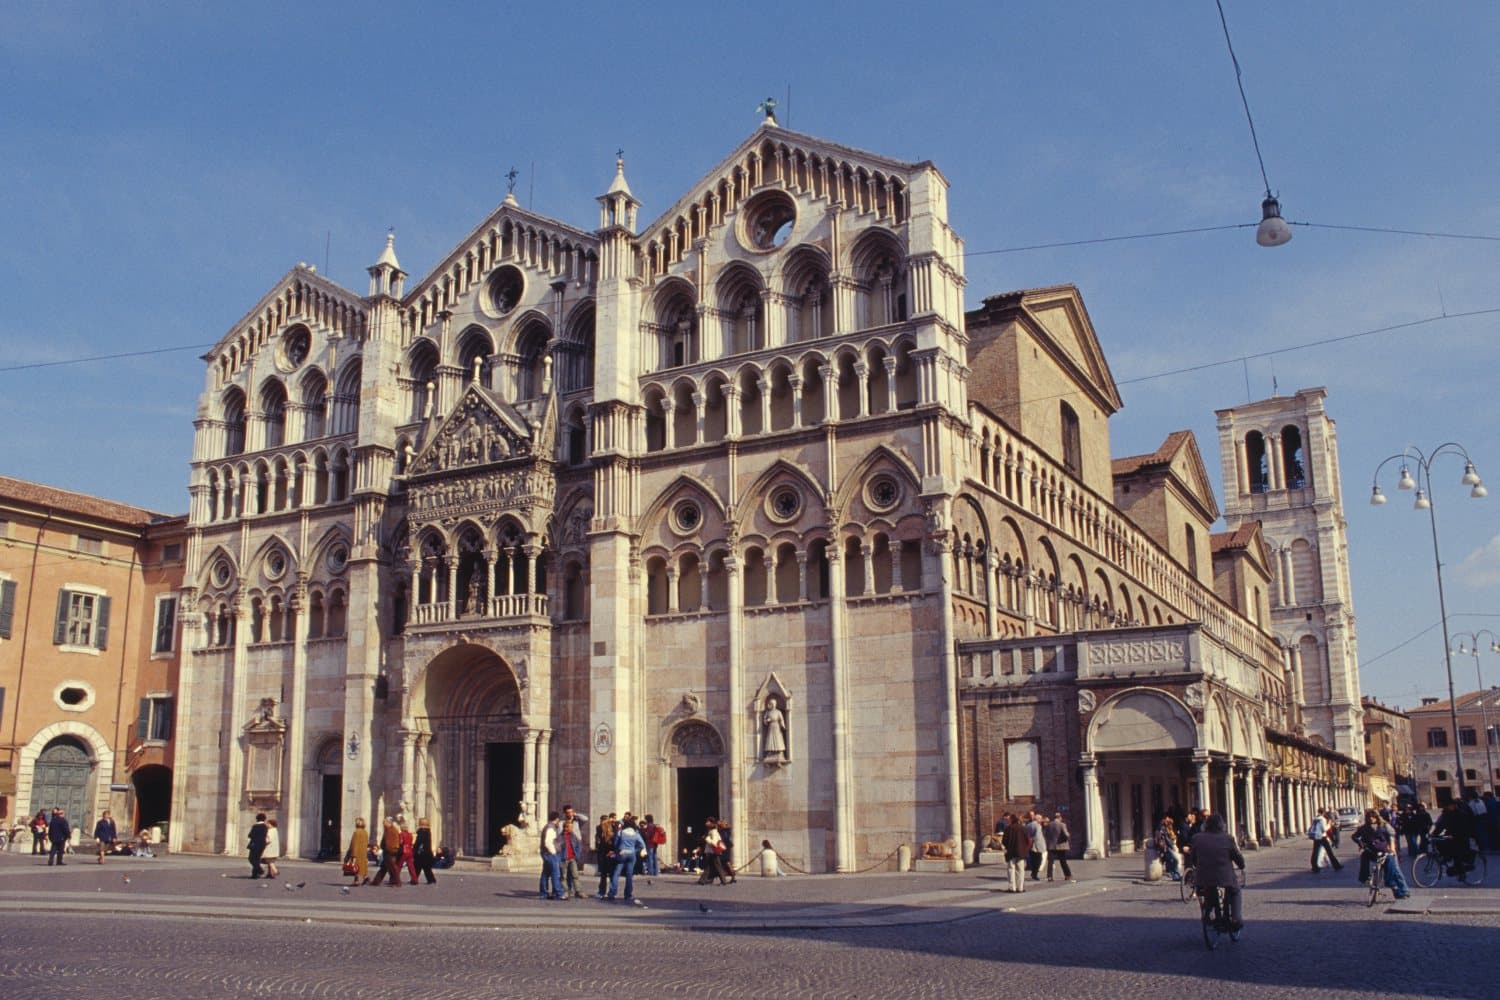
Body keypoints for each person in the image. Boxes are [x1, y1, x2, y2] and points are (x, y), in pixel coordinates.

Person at [1192, 814, 1246, 931]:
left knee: (1209, 889)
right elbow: (1236, 856)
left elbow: (1193, 859)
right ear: (1221, 825)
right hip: (1224, 875)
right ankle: (1236, 918)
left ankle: (1208, 912)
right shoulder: (1227, 838)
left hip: (1203, 876)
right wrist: (1241, 865)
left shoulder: (1197, 838)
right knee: (1235, 890)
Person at [1352, 808, 1410, 899]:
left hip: (1386, 851)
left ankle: (1403, 890)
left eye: (1373, 817)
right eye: (1369, 817)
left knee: (1395, 870)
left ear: (1377, 817)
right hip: (1372, 852)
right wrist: (1361, 844)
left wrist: (1392, 848)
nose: (1371, 819)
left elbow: (1391, 835)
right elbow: (1354, 836)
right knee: (1364, 856)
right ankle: (1365, 877)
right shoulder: (1364, 828)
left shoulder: (1384, 825)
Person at [1432, 800, 1476, 876]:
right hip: (1451, 836)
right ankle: (1447, 858)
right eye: (1448, 806)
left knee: (1457, 855)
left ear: (1454, 806)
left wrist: (1455, 835)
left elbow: (1464, 828)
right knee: (1440, 843)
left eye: (1450, 806)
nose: (1449, 807)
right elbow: (1441, 825)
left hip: (1461, 838)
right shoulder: (1446, 814)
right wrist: (1434, 834)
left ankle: (1462, 874)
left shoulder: (1461, 814)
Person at [609, 818, 647, 901]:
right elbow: (642, 845)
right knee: (629, 875)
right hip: (631, 854)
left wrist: (618, 850)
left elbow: (615, 843)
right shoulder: (636, 834)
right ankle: (628, 894)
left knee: (617, 873)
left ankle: (612, 893)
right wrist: (635, 850)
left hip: (622, 853)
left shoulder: (621, 833)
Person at [560, 805, 585, 898]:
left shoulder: (576, 822)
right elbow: (558, 846)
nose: (571, 828)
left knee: (575, 875)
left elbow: (585, 819)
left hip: (573, 857)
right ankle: (566, 891)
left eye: (571, 811)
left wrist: (575, 814)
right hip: (564, 857)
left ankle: (578, 891)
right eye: (569, 827)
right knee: (564, 876)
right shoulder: (561, 835)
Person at [1001, 812, 1029, 893]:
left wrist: (1008, 847)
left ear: (1012, 819)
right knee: (1020, 870)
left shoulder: (1008, 828)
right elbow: (1028, 840)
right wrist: (1025, 849)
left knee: (1011, 869)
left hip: (1011, 852)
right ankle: (1020, 888)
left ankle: (1012, 887)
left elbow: (1004, 841)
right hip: (1021, 852)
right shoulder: (1023, 828)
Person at [370, 817, 402, 887]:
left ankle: (397, 882)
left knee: (392, 868)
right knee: (384, 867)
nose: (383, 824)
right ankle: (376, 881)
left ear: (388, 822)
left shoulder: (391, 830)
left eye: (384, 822)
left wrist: (386, 848)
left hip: (390, 851)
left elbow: (388, 841)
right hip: (389, 850)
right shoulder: (389, 829)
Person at [1308, 809, 1343, 873]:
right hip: (1322, 837)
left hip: (1316, 837)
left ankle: (1314, 867)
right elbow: (1324, 829)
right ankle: (1336, 866)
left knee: (1315, 852)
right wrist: (1329, 825)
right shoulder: (1322, 819)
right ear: (1323, 813)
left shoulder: (1315, 819)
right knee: (1329, 852)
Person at [1044, 812, 1075, 882]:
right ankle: (1068, 875)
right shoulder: (1062, 824)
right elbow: (1066, 834)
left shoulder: (1049, 825)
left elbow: (1045, 834)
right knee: (1063, 861)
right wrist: (1068, 836)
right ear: (1060, 817)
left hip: (1051, 845)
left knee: (1050, 862)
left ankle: (1049, 876)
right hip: (1061, 846)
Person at [539, 811, 563, 899]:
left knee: (545, 873)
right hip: (550, 854)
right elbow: (548, 842)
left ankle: (543, 893)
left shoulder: (547, 826)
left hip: (546, 853)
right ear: (556, 819)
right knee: (555, 873)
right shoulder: (551, 828)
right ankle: (558, 893)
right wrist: (553, 852)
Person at [595, 814, 618, 898]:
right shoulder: (613, 832)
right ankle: (612, 892)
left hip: (603, 855)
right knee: (611, 874)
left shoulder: (600, 831)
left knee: (604, 875)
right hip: (611, 855)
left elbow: (598, 844)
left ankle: (602, 892)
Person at [1155, 816, 1182, 880]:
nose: (1168, 820)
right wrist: (1172, 846)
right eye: (1167, 819)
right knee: (1175, 859)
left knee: (1171, 860)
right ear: (1164, 819)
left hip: (1165, 847)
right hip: (1166, 847)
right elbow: (1166, 838)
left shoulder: (1162, 826)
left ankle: (1175, 875)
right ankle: (1175, 875)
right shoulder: (1161, 827)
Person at [413, 817, 437, 885]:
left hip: (422, 853)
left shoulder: (422, 831)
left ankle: (416, 879)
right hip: (427, 853)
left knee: (418, 867)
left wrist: (415, 848)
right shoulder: (427, 831)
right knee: (425, 868)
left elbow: (419, 842)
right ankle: (431, 880)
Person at [345, 817, 369, 885]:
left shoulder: (356, 832)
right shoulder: (365, 832)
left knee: (355, 866)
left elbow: (354, 844)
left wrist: (353, 855)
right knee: (362, 866)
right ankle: (365, 877)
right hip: (363, 852)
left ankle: (356, 880)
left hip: (357, 852)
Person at [640, 813, 664, 878]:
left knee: (650, 858)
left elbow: (648, 835)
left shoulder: (649, 826)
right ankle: (656, 872)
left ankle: (651, 872)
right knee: (655, 857)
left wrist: (644, 831)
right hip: (655, 843)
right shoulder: (654, 825)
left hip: (649, 843)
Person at [246, 812, 268, 878]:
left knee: (251, 859)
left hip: (255, 845)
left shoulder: (255, 826)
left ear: (257, 819)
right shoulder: (265, 826)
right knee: (257, 859)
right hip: (262, 845)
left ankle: (260, 870)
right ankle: (254, 875)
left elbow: (250, 835)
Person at [398, 819, 417, 884]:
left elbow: (401, 842)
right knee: (411, 866)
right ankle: (414, 879)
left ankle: (395, 878)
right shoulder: (410, 834)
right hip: (410, 850)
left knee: (399, 865)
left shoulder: (401, 834)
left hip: (404, 851)